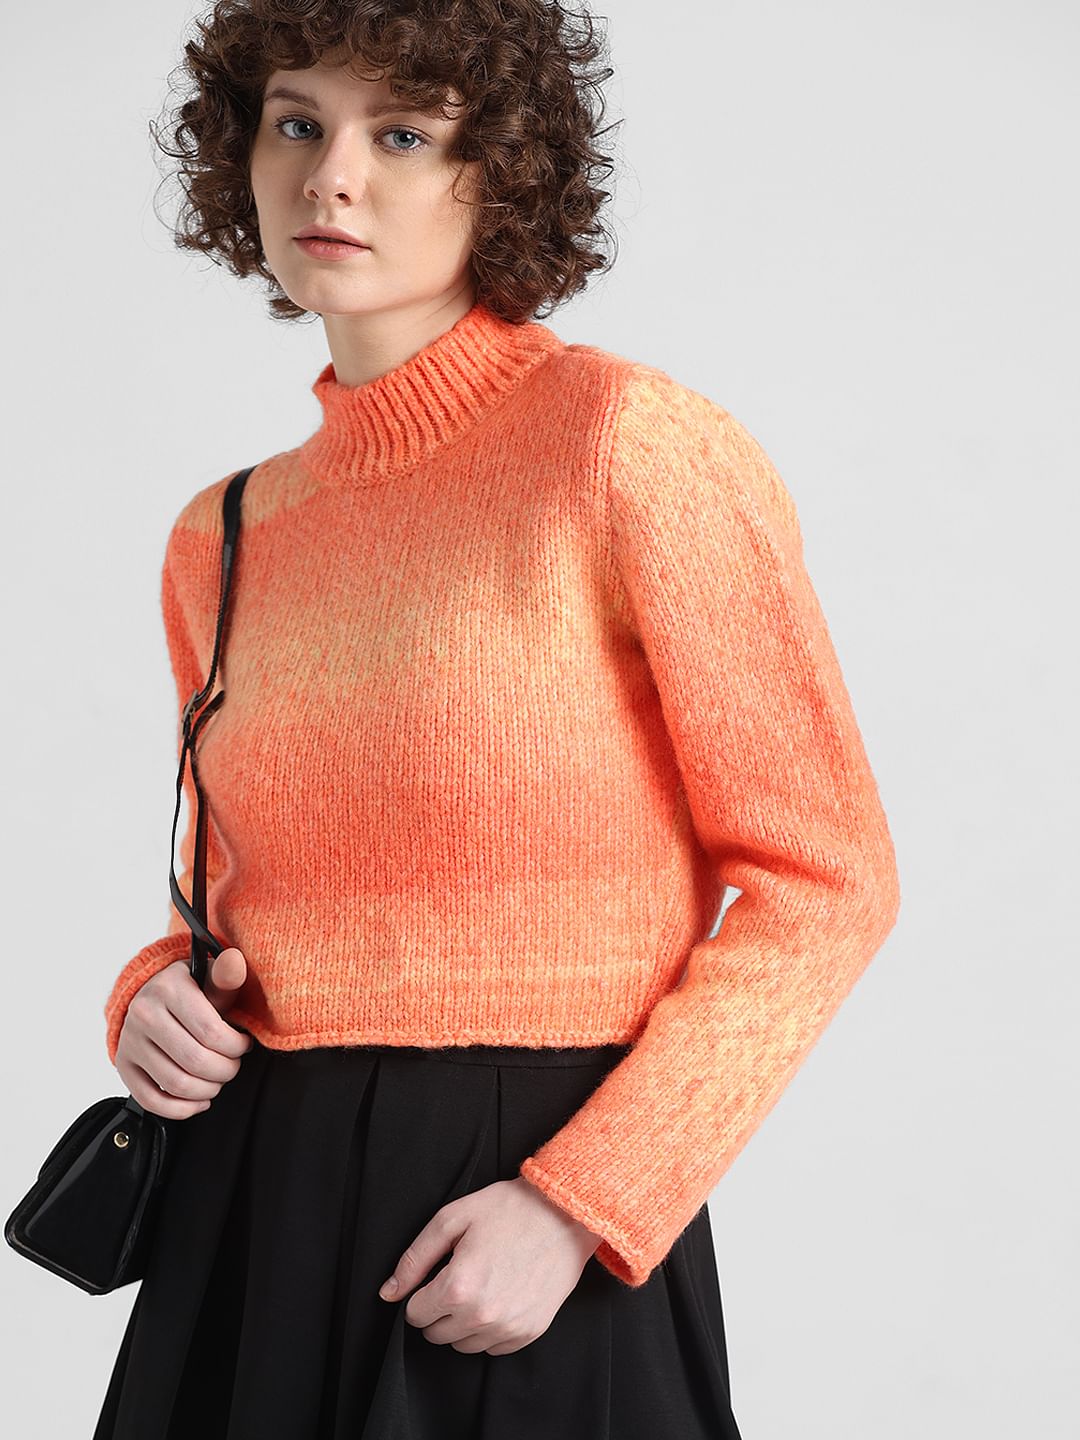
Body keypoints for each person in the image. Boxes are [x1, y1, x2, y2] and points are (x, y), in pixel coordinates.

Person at [92, 3, 901, 1437]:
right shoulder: (222, 532)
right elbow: (244, 886)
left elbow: (825, 879)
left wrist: (586, 1202)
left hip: (524, 1208)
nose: (333, 176)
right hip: (253, 1199)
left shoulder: (628, 448)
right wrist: (155, 989)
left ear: (503, 171)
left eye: (404, 134)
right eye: (296, 123)